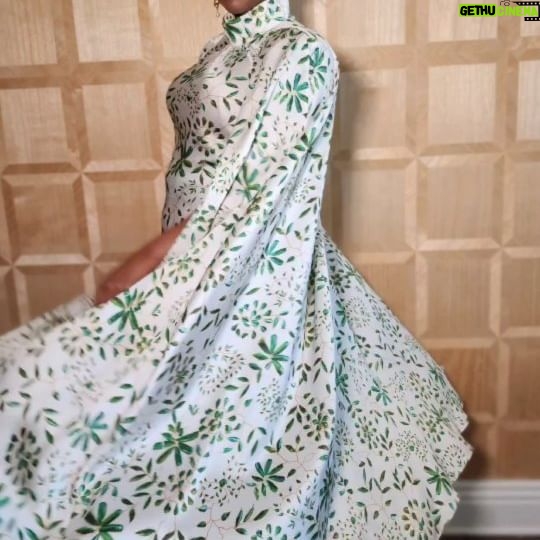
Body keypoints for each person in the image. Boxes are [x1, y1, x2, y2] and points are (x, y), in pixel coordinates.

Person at [0, 0, 474, 538]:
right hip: (191, 261)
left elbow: (249, 193)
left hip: (247, 271)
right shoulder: (221, 49)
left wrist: (141, 269)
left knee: (236, 444)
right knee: (159, 428)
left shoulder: (300, 52)